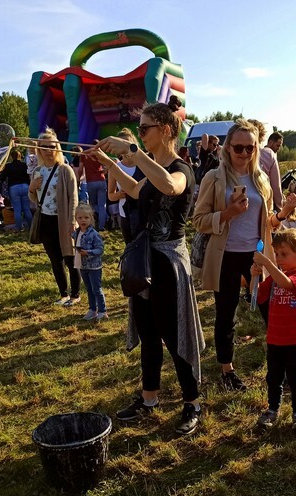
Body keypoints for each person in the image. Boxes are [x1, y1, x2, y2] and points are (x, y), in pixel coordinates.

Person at [92, 96, 205, 435]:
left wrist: (133, 151)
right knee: (148, 332)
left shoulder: (181, 169)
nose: (140, 134)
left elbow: (170, 186)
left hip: (168, 263)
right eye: (138, 130)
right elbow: (133, 190)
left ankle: (192, 402)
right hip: (145, 261)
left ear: (167, 129)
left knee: (174, 333)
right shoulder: (151, 167)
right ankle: (149, 397)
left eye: (145, 129)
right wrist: (108, 163)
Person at [193, 119, 296, 392]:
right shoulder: (214, 178)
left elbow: (267, 222)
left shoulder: (260, 179)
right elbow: (199, 220)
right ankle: (227, 370)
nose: (244, 153)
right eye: (238, 147)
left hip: (257, 256)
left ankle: (282, 367)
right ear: (227, 147)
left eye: (250, 148)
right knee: (226, 314)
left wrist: (283, 215)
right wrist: (229, 213)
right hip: (225, 256)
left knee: (271, 311)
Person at [252, 228, 296, 431]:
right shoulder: (275, 278)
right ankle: (272, 409)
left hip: (295, 340)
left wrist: (268, 264)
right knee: (273, 377)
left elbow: (288, 285)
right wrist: (254, 276)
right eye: (276, 254)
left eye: (284, 254)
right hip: (275, 338)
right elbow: (257, 295)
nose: (278, 259)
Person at [28, 129, 80, 307]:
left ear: (57, 148)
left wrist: (72, 220)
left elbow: (74, 197)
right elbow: (34, 199)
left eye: (52, 146)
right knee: (55, 260)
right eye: (44, 147)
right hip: (45, 220)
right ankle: (63, 294)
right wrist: (31, 188)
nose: (48, 150)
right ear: (39, 150)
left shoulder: (65, 170)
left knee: (70, 258)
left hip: (63, 219)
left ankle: (75, 294)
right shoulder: (37, 171)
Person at [108, 128, 144, 244]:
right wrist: (120, 194)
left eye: (127, 143)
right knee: (130, 248)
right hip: (126, 215)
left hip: (144, 212)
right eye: (121, 144)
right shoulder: (115, 167)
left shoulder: (144, 164)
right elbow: (110, 196)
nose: (125, 147)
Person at [73, 203, 107, 321]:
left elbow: (100, 249)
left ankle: (102, 311)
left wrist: (88, 252)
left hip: (94, 267)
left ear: (91, 218)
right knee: (89, 289)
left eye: (86, 217)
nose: (83, 220)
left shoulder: (94, 234)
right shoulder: (77, 232)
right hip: (83, 265)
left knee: (96, 289)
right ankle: (93, 309)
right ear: (76, 218)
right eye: (80, 217)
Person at [0, 149, 32, 231]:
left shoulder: (8, 166)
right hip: (25, 186)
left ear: (11, 157)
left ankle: (19, 228)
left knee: (17, 209)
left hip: (14, 187)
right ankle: (31, 227)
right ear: (20, 156)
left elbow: (2, 177)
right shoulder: (24, 165)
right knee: (27, 208)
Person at [252, 120, 283, 210]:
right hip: (264, 203)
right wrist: (279, 207)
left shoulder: (234, 154)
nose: (279, 148)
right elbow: (276, 186)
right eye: (278, 145)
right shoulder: (269, 155)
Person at [80, 151, 108, 231]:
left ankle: (93, 223)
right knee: (102, 205)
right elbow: (107, 165)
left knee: (92, 204)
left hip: (91, 181)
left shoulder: (84, 154)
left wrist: (78, 179)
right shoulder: (99, 153)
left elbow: (80, 169)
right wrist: (103, 172)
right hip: (101, 180)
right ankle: (102, 225)